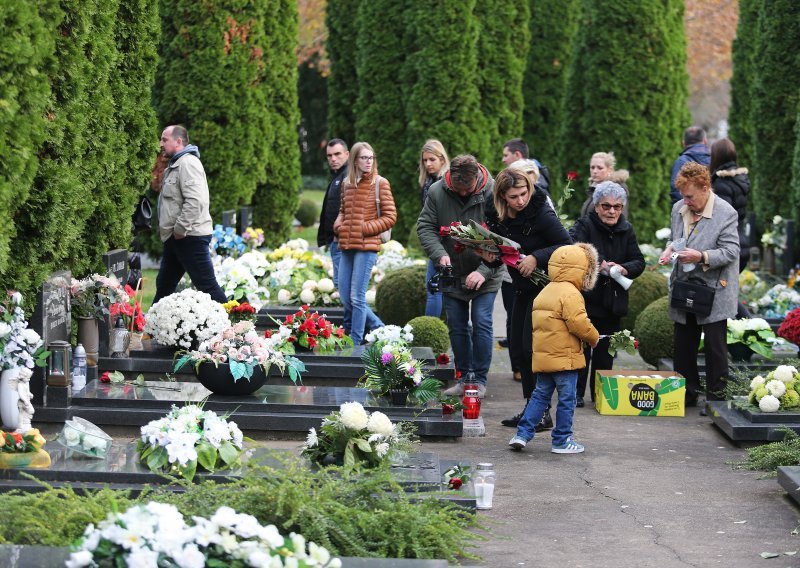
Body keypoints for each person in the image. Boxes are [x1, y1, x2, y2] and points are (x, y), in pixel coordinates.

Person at [484, 167, 572, 428]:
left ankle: (542, 412)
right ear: (502, 197)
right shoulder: (494, 213)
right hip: (521, 286)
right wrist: (489, 257)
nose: (520, 200)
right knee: (520, 350)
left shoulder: (540, 210)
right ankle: (532, 409)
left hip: (545, 287)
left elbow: (567, 244)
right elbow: (502, 251)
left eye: (523, 193)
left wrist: (537, 257)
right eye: (513, 197)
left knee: (533, 349)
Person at [417, 155, 505, 398]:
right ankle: (464, 376)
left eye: (468, 189)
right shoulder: (437, 191)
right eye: (459, 190)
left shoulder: (493, 192)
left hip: (487, 270)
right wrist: (439, 255)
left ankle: (480, 378)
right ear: (451, 181)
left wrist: (483, 271)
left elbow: (504, 239)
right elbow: (425, 226)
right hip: (452, 270)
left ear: (477, 178)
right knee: (456, 325)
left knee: (482, 321)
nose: (464, 194)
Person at [659, 162, 739, 414]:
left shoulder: (726, 213)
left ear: (705, 188)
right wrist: (669, 250)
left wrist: (701, 256)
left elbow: (731, 251)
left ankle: (717, 400)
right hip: (685, 285)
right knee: (683, 343)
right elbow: (676, 239)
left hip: (715, 289)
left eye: (690, 196)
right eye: (683, 196)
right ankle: (686, 394)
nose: (686, 201)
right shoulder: (678, 209)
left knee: (715, 347)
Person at [508, 243, 600, 453]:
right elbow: (579, 323)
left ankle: (522, 434)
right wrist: (594, 338)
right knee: (567, 399)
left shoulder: (544, 291)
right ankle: (561, 440)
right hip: (565, 359)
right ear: (583, 270)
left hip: (545, 358)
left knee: (539, 396)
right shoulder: (571, 294)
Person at [570, 181, 645, 407]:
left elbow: (639, 261)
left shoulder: (627, 229)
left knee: (606, 353)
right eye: (606, 206)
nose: (612, 211)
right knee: (581, 350)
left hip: (612, 302)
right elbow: (573, 249)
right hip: (587, 299)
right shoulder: (584, 225)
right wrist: (596, 263)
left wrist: (623, 268)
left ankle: (601, 396)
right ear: (596, 206)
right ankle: (575, 395)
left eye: (617, 207)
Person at [153, 125, 227, 304]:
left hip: (189, 237)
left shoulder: (187, 163)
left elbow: (196, 201)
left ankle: (237, 326)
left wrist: (180, 229)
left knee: (207, 286)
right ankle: (152, 329)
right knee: (165, 285)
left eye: (164, 139)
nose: (160, 144)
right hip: (178, 237)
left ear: (178, 141)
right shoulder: (177, 163)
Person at [333, 142, 396, 345]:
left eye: (371, 158)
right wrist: (339, 224)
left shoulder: (380, 183)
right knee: (345, 296)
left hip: (367, 247)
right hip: (347, 245)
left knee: (357, 297)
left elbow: (390, 216)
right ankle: (379, 328)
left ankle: (356, 341)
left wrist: (364, 229)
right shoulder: (346, 183)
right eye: (364, 158)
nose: (369, 162)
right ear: (355, 160)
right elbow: (343, 210)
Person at [709, 138, 751, 273]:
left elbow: (722, 219)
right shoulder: (740, 179)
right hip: (741, 240)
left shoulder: (721, 184)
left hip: (727, 246)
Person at [419, 140, 450, 318]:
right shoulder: (427, 182)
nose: (428, 164)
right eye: (425, 160)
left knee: (434, 289)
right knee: (440, 290)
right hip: (435, 242)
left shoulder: (444, 182)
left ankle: (430, 333)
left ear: (442, 159)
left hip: (444, 242)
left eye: (432, 159)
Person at [317, 139, 350, 288]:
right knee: (342, 290)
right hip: (335, 241)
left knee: (344, 290)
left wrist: (339, 235)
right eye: (329, 156)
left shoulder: (349, 176)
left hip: (342, 241)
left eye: (337, 154)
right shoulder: (338, 175)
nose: (333, 159)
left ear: (347, 154)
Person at [579, 152, 629, 218]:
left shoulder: (616, 188)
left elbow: (619, 218)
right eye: (592, 167)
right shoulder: (594, 188)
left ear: (610, 170)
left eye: (600, 168)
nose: (595, 171)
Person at [670, 126, 710, 204]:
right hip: (715, 212)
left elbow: (676, 191)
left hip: (689, 212)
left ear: (683, 143)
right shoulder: (716, 158)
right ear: (705, 141)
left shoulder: (681, 161)